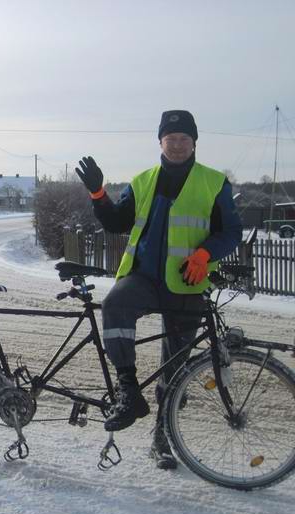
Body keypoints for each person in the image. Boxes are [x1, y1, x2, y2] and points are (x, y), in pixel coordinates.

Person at [75, 110, 242, 469]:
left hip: (187, 282)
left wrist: (204, 254)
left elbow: (231, 232)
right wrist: (98, 193)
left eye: (184, 138)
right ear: (161, 142)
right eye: (171, 139)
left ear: (194, 142)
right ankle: (129, 390)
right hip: (144, 279)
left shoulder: (214, 182)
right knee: (116, 304)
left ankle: (161, 440)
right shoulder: (143, 180)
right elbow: (117, 223)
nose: (178, 144)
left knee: (175, 368)